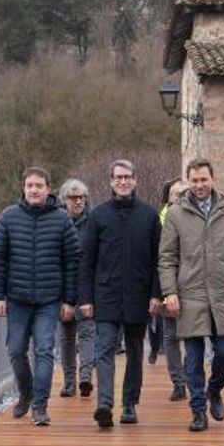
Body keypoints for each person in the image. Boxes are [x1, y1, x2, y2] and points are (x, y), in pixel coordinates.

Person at [158, 158, 224, 432]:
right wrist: (169, 292)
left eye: (203, 179)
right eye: (194, 180)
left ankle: (215, 390)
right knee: (194, 357)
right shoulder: (175, 214)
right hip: (190, 293)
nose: (199, 185)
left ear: (213, 180)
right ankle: (198, 410)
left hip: (223, 291)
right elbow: (167, 258)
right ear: (188, 182)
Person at [0, 166, 79, 426]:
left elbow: (72, 262)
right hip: (17, 298)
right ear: (23, 188)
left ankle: (40, 406)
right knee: (16, 350)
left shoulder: (62, 219)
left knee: (44, 350)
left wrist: (69, 300)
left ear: (48, 189)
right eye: (30, 185)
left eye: (39, 185)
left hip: (49, 300)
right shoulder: (8, 217)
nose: (34, 190)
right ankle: (26, 392)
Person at [79, 159, 162, 428]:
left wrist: (156, 294)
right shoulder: (98, 215)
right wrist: (86, 298)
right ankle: (104, 404)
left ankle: (129, 404)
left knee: (135, 352)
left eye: (127, 177)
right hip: (106, 294)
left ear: (135, 180)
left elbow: (158, 260)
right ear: (111, 181)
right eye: (118, 177)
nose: (123, 181)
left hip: (139, 294)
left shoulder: (149, 215)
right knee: (104, 349)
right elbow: (87, 260)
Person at [57, 178, 96, 398]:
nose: (78, 201)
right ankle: (69, 381)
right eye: (73, 198)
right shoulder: (56, 221)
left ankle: (85, 378)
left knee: (87, 332)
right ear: (65, 200)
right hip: (63, 286)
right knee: (67, 335)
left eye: (81, 197)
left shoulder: (93, 221)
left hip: (86, 284)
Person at [156, 178, 189, 401]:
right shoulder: (159, 221)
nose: (180, 198)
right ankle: (178, 382)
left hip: (192, 285)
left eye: (184, 193)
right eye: (176, 194)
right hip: (167, 284)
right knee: (171, 335)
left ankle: (188, 375)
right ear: (168, 198)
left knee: (194, 336)